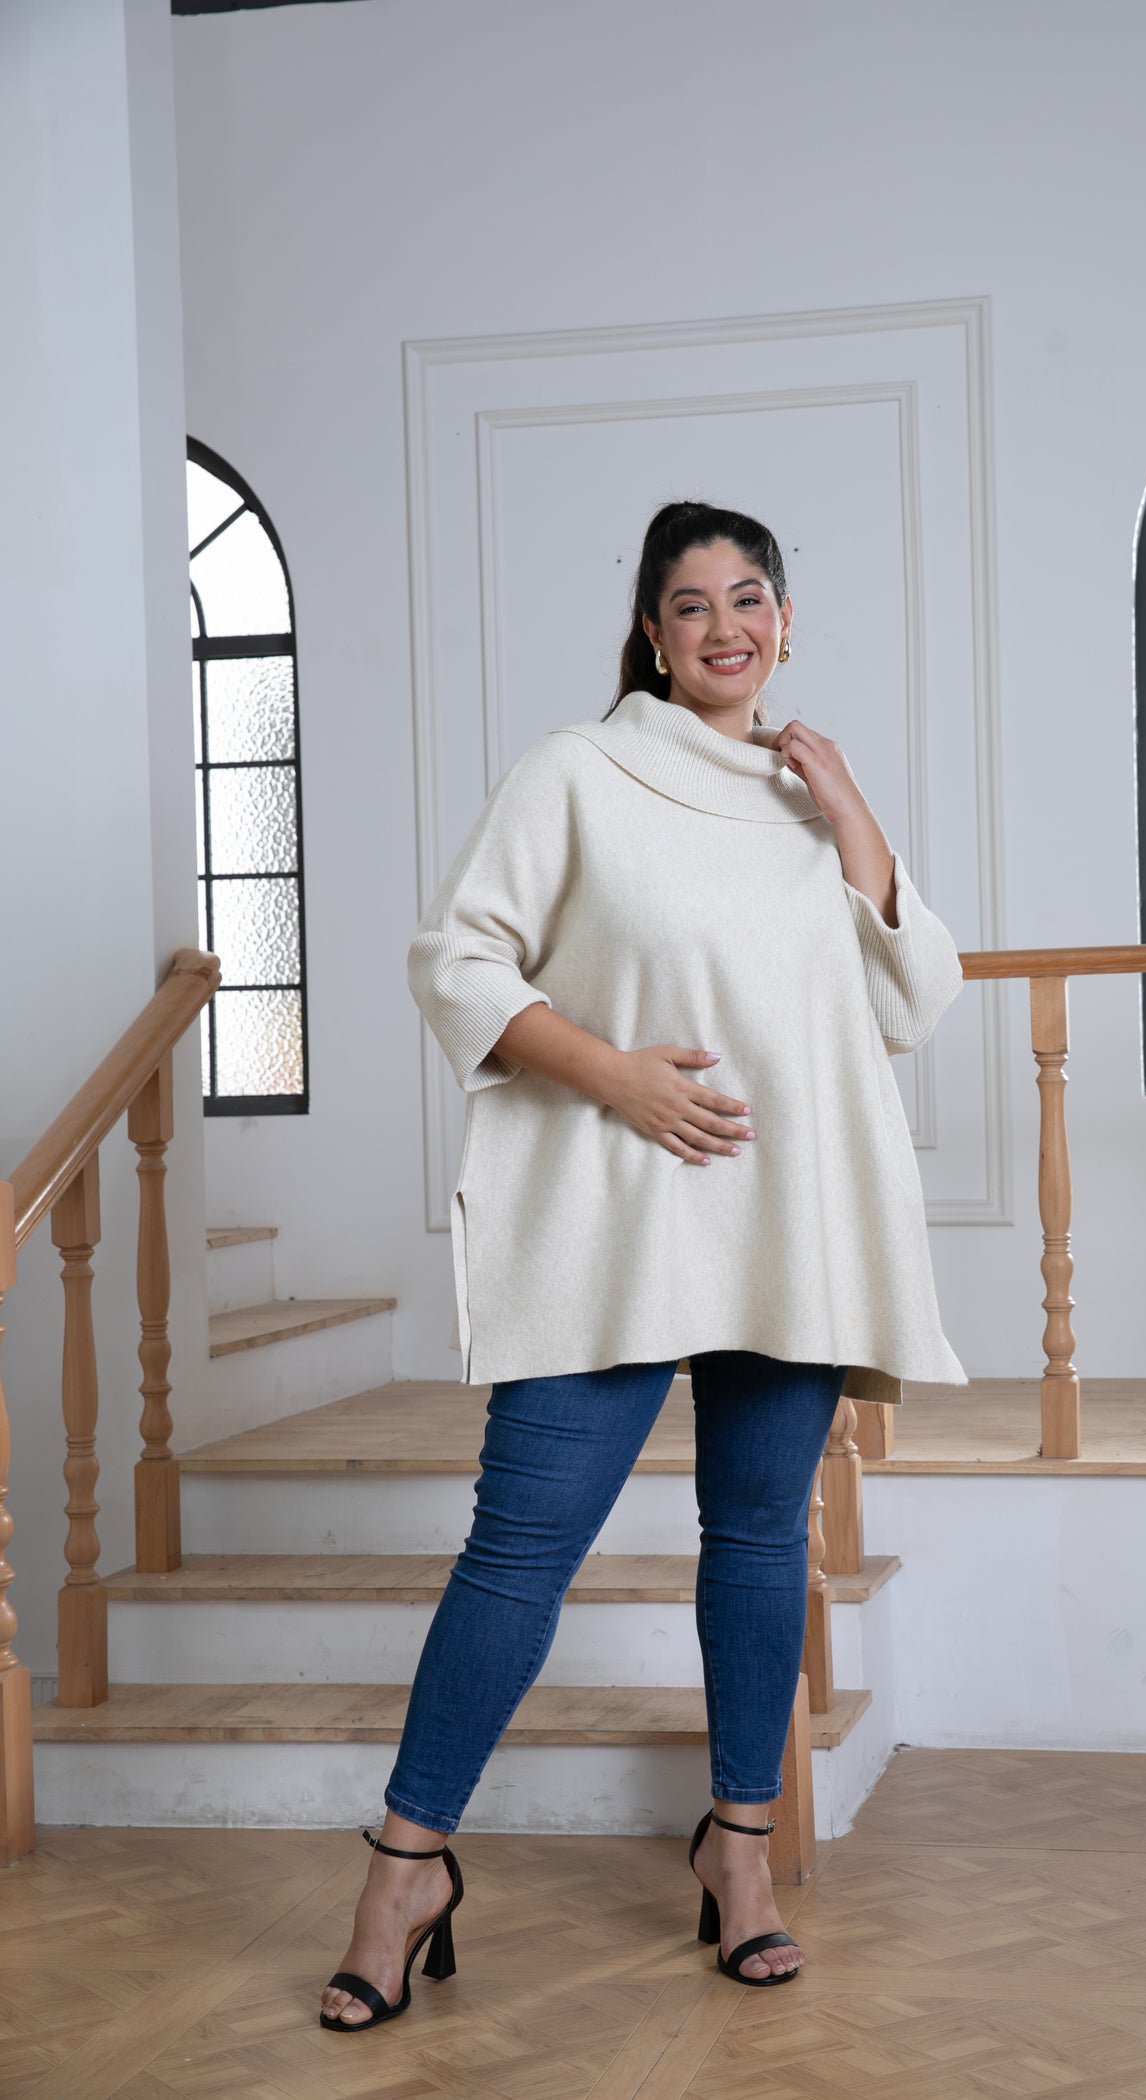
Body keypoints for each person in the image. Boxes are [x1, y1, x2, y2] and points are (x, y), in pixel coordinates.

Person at [320, 499, 966, 2029]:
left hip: (787, 1224)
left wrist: (851, 809)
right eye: (692, 604)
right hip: (609, 1217)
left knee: (758, 1542)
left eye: (750, 598)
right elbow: (455, 957)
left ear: (786, 624)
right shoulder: (578, 773)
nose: (725, 625)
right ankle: (405, 1867)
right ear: (655, 636)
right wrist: (616, 1076)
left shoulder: (810, 805)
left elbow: (914, 998)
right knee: (517, 1550)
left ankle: (739, 1848)